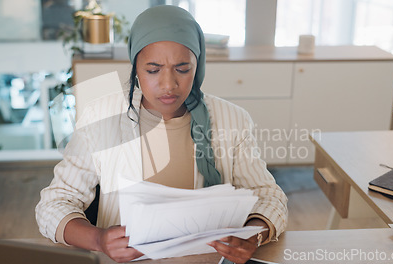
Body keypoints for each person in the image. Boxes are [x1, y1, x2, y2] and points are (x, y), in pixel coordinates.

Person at [36, 5, 288, 264]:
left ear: (198, 66)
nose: (169, 85)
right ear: (135, 67)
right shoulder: (101, 117)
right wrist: (98, 239)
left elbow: (269, 196)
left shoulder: (231, 119)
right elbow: (54, 205)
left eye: (182, 69)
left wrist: (254, 234)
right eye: (153, 70)